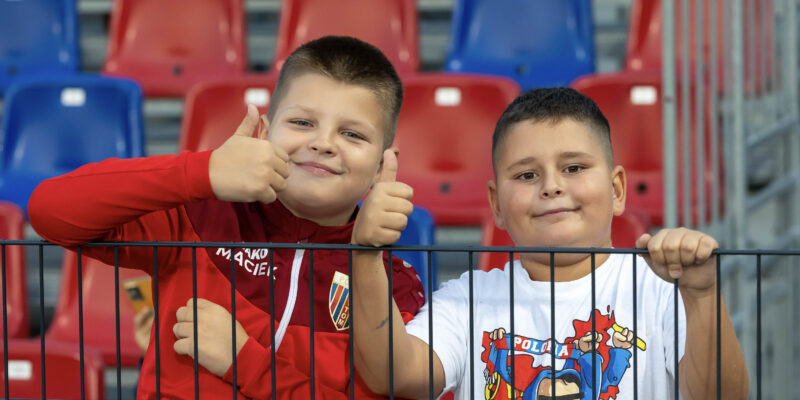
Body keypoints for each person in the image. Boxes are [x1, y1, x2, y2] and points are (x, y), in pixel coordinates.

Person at [28, 36, 425, 399]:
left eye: (352, 134)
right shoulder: (198, 216)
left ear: (382, 164)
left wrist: (246, 363)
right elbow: (51, 211)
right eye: (302, 122)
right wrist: (203, 172)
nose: (322, 143)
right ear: (264, 134)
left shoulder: (394, 286)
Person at [349, 87, 749, 399]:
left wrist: (701, 297)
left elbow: (724, 397)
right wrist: (366, 254)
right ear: (496, 205)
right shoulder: (466, 299)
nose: (552, 187)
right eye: (526, 176)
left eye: (574, 168)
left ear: (617, 189)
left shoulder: (663, 290)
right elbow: (392, 374)